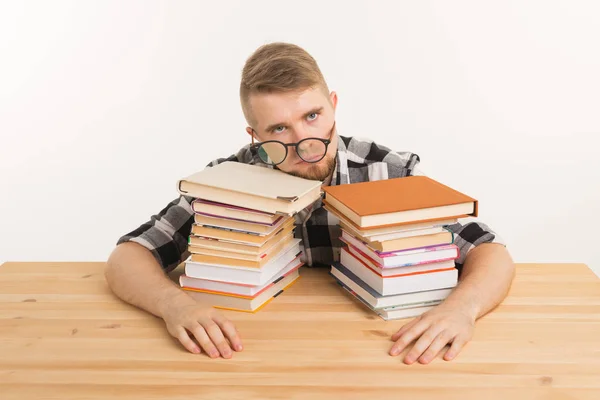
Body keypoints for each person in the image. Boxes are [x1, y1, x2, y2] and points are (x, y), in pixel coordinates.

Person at [105, 42, 515, 365]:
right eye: (279, 128)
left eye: (313, 116)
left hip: (378, 351)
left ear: (333, 104)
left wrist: (463, 310)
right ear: (254, 135)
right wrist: (174, 305)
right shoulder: (226, 184)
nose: (304, 143)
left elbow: (490, 251)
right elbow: (128, 257)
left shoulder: (386, 168)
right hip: (256, 351)